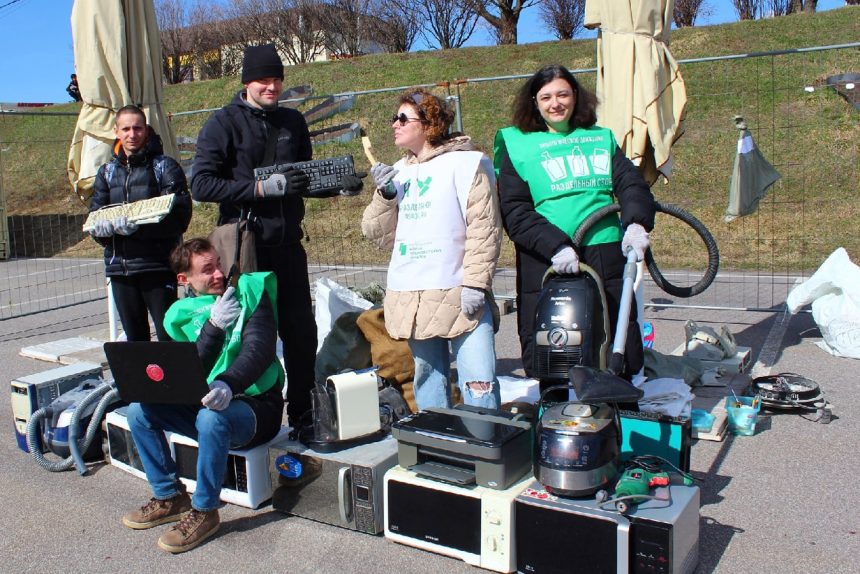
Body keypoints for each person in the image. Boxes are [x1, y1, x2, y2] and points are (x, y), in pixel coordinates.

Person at [494, 64, 656, 384]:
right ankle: (555, 402)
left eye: (563, 95)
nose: (555, 103)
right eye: (546, 97)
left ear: (576, 97)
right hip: (547, 257)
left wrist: (637, 223)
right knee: (554, 339)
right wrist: (556, 245)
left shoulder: (599, 138)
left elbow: (631, 184)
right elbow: (514, 210)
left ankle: (615, 397)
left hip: (603, 250)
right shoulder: (518, 143)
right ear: (534, 102)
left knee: (612, 331)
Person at [123, 237, 284, 553]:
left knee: (211, 419)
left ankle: (205, 511)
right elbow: (190, 369)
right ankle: (170, 496)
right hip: (209, 404)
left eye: (218, 264)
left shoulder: (250, 291)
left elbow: (260, 349)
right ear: (184, 279)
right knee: (139, 412)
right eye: (207, 270)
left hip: (257, 408)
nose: (219, 274)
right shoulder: (179, 314)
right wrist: (213, 326)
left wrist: (228, 383)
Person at [190, 44, 316, 427]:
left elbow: (305, 177)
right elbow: (201, 184)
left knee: (301, 333)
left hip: (289, 246)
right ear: (247, 82)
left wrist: (335, 184)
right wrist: (258, 189)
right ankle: (258, 413)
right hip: (247, 251)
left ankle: (303, 413)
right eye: (263, 80)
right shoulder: (222, 123)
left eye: (277, 79)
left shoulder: (293, 122)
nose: (272, 87)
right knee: (254, 338)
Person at [361, 88, 503, 410]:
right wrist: (385, 195)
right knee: (428, 378)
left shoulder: (467, 164)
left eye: (403, 118)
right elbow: (376, 233)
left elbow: (484, 228)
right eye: (394, 118)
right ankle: (435, 437)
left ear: (429, 124)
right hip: (415, 295)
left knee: (479, 381)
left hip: (459, 290)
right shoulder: (399, 172)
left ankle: (484, 439)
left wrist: (476, 283)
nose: (394, 124)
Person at [89, 105, 192, 342]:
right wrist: (102, 233)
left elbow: (180, 218)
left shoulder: (165, 166)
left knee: (168, 337)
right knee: (135, 342)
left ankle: (171, 369)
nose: (132, 134)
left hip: (157, 266)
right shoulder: (106, 172)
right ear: (116, 131)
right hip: (120, 269)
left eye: (137, 128)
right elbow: (95, 216)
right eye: (126, 129)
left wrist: (139, 229)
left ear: (146, 130)